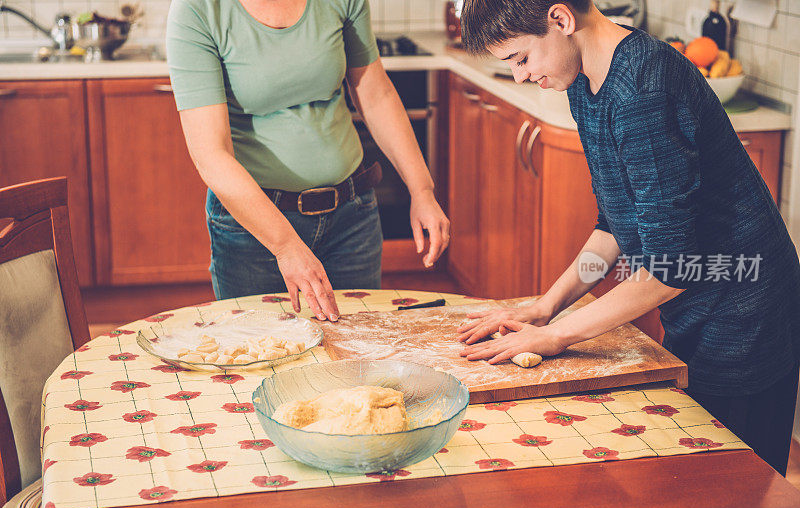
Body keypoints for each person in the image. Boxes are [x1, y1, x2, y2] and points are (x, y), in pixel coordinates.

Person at [456, 0, 800, 475]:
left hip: (746, 306)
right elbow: (615, 225)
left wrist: (556, 335)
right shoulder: (583, 80)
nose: (519, 76)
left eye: (520, 58)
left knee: (735, 486)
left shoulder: (643, 88)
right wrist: (545, 306)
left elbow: (669, 272)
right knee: (696, 473)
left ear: (561, 19)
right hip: (700, 298)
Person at [166, 0, 450, 322]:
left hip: (352, 216)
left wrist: (422, 189)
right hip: (254, 234)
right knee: (264, 355)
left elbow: (375, 92)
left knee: (354, 359)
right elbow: (211, 155)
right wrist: (286, 245)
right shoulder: (198, 10)